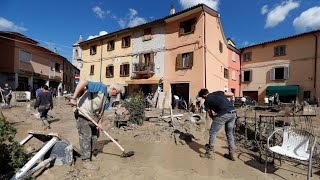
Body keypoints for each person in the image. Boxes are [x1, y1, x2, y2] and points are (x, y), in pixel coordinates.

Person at [67, 80, 125, 170]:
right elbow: (83, 82)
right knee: (86, 136)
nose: (116, 95)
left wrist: (100, 123)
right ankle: (85, 160)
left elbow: (102, 111)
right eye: (117, 93)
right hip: (83, 112)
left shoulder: (107, 99)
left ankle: (90, 154)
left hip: (93, 116)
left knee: (95, 135)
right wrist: (74, 98)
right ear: (114, 89)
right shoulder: (101, 87)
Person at [198, 89, 236, 161]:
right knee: (229, 133)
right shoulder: (218, 92)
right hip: (233, 113)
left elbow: (210, 114)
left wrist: (214, 118)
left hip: (223, 113)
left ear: (203, 95)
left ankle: (209, 153)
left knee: (213, 132)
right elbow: (230, 94)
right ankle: (232, 154)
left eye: (203, 97)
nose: (203, 99)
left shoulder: (207, 100)